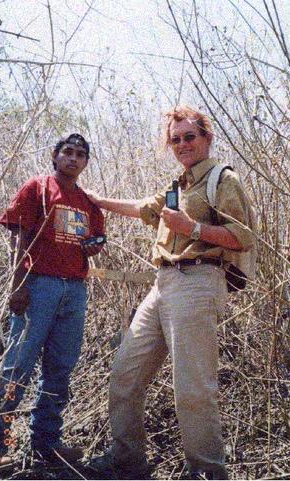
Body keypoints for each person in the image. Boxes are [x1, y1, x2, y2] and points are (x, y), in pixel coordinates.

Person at [86, 105, 256, 480]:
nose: (182, 144)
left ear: (207, 138)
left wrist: (192, 228)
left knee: (192, 390)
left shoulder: (224, 180)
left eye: (189, 137)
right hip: (162, 284)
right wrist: (98, 201)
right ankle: (127, 460)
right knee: (125, 376)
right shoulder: (178, 186)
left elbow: (243, 237)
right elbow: (143, 209)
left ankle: (207, 472)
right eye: (175, 139)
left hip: (198, 282)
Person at [0, 133, 105, 474]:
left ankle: (46, 441)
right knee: (18, 365)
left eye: (80, 154)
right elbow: (18, 238)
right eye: (68, 152)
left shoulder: (88, 203)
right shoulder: (38, 188)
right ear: (55, 155)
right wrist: (18, 285)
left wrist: (93, 247)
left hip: (74, 289)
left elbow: (94, 240)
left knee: (60, 368)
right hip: (40, 285)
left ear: (86, 162)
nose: (73, 159)